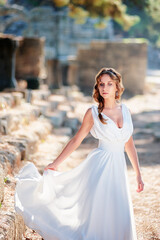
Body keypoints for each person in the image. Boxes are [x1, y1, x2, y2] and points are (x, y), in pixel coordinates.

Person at [14, 67, 144, 240]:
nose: (105, 88)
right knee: (100, 211)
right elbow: (76, 140)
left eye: (109, 84)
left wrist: (138, 174)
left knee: (118, 208)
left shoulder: (125, 111)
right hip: (100, 166)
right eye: (101, 84)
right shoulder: (93, 113)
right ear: (97, 88)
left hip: (118, 167)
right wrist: (56, 163)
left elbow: (129, 143)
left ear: (117, 86)